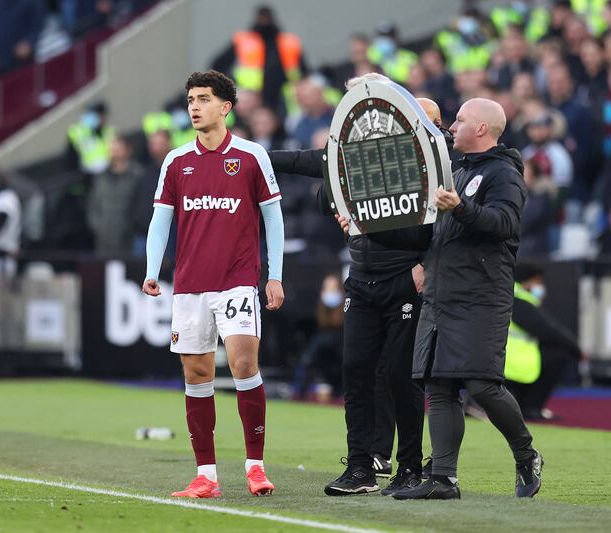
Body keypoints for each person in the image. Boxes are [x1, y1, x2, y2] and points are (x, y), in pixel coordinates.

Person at [341, 97, 542, 500]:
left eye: (460, 120)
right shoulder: (450, 171)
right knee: (438, 386)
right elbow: (422, 234)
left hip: (481, 294)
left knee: (482, 386)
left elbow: (504, 224)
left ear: (482, 129)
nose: (451, 126)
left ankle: (526, 453)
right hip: (439, 293)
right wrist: (365, 227)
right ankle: (444, 479)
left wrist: (462, 207)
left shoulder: (504, 173)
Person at [268, 78, 446, 496]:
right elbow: (302, 162)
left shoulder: (439, 164)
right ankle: (361, 466)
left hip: (405, 278)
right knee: (356, 373)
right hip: (362, 279)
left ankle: (409, 468)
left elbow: (450, 225)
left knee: (404, 378)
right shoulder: (356, 154)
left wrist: (425, 263)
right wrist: (243, 153)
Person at [142, 70, 284, 498]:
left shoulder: (251, 155)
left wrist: (274, 275)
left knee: (243, 363)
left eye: (203, 99)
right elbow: (160, 220)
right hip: (189, 285)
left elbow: (273, 217)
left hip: (238, 280)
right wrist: (152, 270)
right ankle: (206, 475)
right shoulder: (176, 161)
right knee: (197, 373)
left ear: (225, 107)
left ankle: (255, 467)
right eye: (190, 100)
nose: (194, 107)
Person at [504, 263, 585, 420]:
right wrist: (577, 349)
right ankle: (530, 407)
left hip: (505, 357)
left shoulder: (509, 295)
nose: (540, 286)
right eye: (537, 281)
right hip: (511, 361)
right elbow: (547, 330)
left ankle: (524, 406)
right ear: (527, 281)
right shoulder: (518, 300)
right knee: (560, 353)